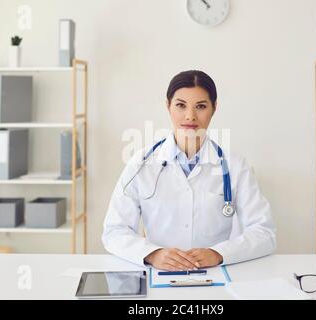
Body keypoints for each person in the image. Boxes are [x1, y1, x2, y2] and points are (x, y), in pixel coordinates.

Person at [102, 70, 276, 271]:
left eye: (201, 106)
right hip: (159, 273)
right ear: (168, 106)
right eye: (180, 105)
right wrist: (152, 254)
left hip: (215, 273)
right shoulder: (140, 163)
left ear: (214, 108)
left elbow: (264, 232)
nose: (190, 116)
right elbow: (114, 231)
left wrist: (219, 254)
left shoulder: (235, 165)